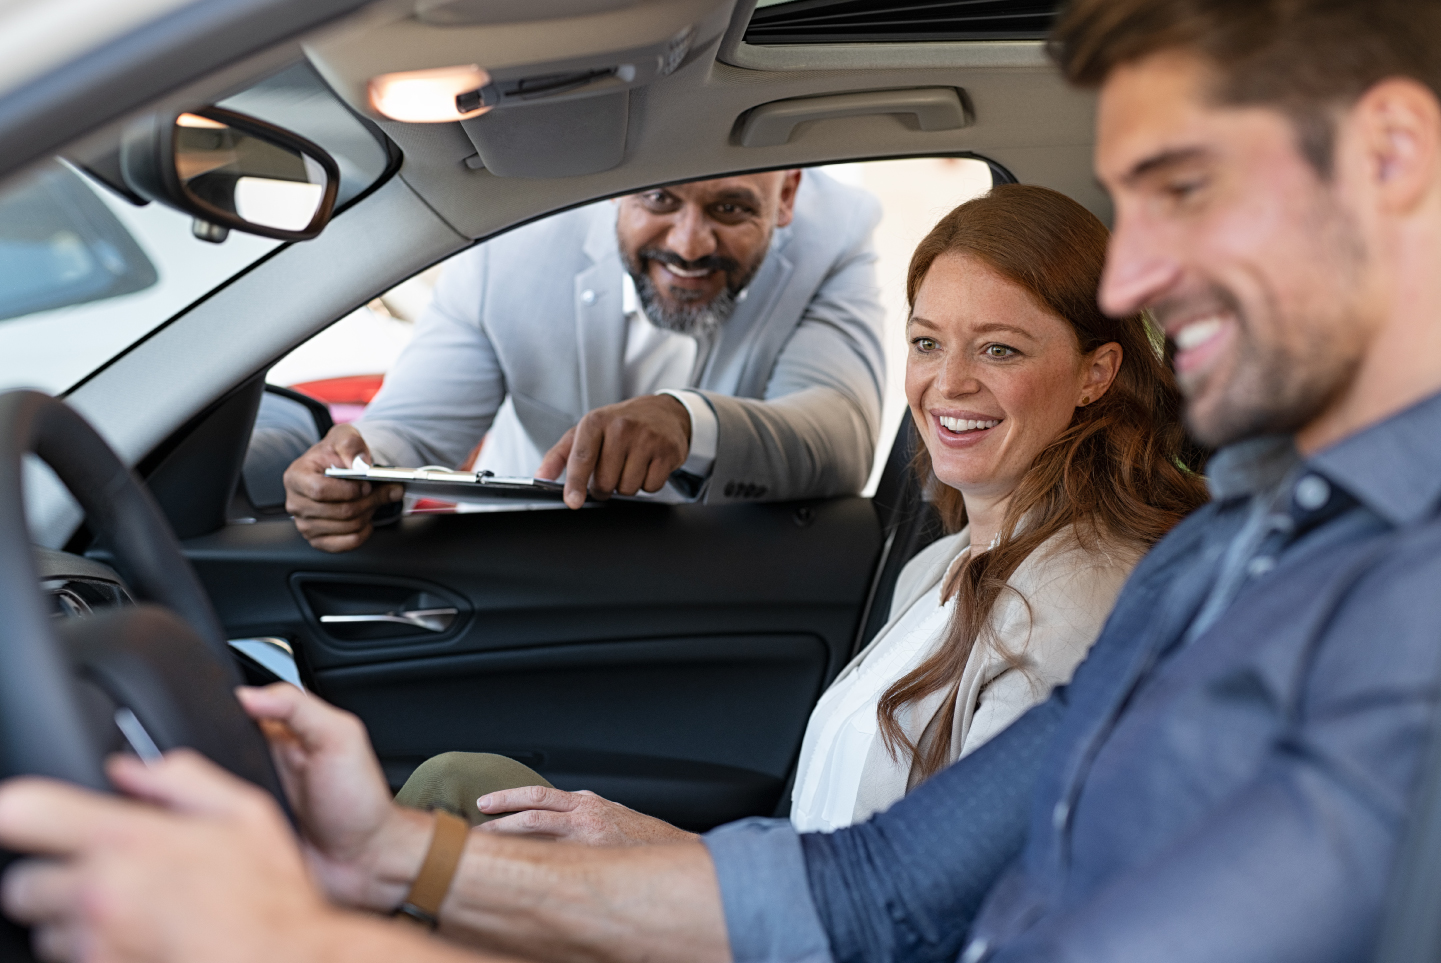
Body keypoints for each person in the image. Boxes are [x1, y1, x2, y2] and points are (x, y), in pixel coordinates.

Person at [6, 0, 1441, 961]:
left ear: (1389, 154)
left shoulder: (1397, 614)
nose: (1134, 276)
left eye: (1184, 186)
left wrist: (301, 940)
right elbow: (878, 887)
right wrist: (398, 861)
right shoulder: (1235, 544)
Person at [394, 185, 1208, 841]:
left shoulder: (1078, 607)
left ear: (1096, 372)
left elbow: (949, 903)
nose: (948, 383)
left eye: (999, 348)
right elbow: (839, 841)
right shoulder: (940, 564)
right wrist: (642, 844)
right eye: (927, 342)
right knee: (463, 791)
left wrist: (665, 867)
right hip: (796, 913)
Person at [277, 169, 886, 551]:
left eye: (730, 209)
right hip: (526, 559)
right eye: (658, 198)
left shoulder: (836, 237)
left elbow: (841, 436)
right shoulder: (510, 243)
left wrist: (686, 423)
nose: (689, 245)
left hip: (715, 582)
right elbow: (408, 431)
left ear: (787, 195)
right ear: (618, 185)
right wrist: (354, 470)